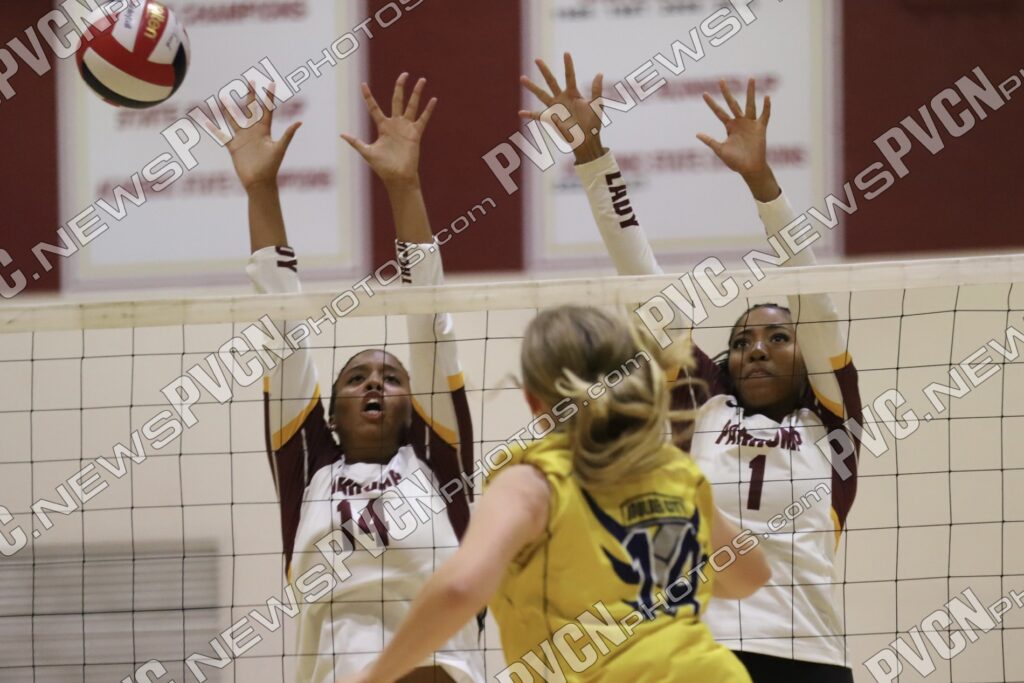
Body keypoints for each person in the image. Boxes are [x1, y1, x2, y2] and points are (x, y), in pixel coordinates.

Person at [521, 54, 862, 682]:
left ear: (806, 355)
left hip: (811, 656)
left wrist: (763, 182)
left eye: (778, 337)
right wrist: (592, 154)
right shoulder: (704, 402)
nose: (758, 348)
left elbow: (815, 297)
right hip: (701, 655)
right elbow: (641, 275)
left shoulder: (833, 421)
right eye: (743, 340)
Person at [336, 304, 770, 683]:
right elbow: (751, 575)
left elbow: (460, 587)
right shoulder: (675, 472)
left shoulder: (533, 480)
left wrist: (374, 675)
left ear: (533, 400)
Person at [218, 74, 484, 683]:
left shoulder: (437, 459)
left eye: (390, 378)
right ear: (330, 413)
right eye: (356, 378)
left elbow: (430, 319)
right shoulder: (308, 470)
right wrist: (260, 189)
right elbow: (282, 323)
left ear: (415, 407)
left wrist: (405, 185)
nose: (372, 385)